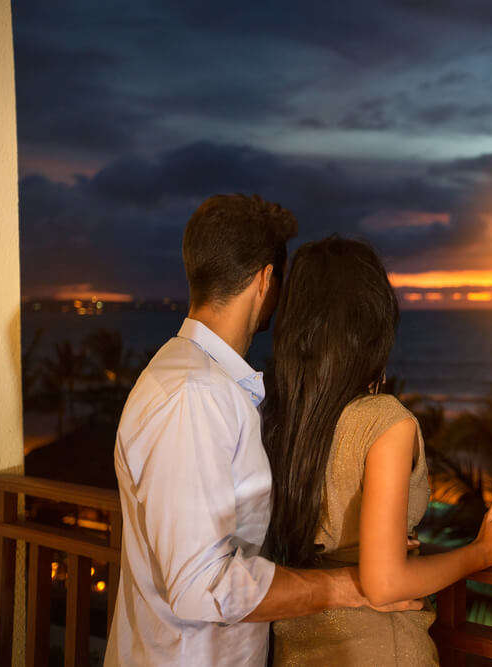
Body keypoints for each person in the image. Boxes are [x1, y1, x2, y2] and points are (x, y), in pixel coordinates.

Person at [106, 195, 420, 666]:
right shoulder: (197, 393)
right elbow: (201, 585)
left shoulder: (192, 377)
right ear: (265, 279)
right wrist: (350, 586)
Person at [264, 237, 492, 665]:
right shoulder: (383, 420)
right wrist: (481, 552)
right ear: (373, 322)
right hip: (376, 647)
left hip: (297, 642)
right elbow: (385, 583)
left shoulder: (278, 417)